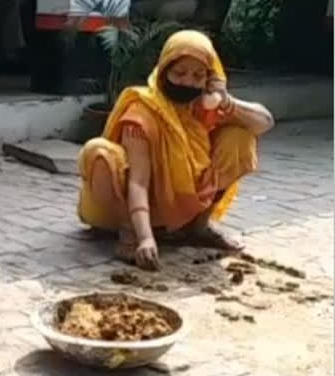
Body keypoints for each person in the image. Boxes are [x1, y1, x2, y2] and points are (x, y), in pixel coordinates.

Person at [77, 30, 275, 271]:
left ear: (209, 79)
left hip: (182, 204)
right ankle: (129, 234)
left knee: (240, 138)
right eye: (179, 73)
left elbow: (265, 123)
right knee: (99, 152)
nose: (188, 82)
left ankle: (198, 228)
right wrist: (145, 238)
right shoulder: (144, 111)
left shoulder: (205, 107)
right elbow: (137, 182)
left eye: (198, 75)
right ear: (163, 73)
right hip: (130, 208)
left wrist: (225, 100)